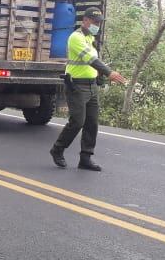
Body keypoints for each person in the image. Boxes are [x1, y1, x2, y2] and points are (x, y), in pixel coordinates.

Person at [50, 9, 126, 171]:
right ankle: (58, 149)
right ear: (85, 20)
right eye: (94, 22)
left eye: (98, 22)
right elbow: (90, 59)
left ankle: (85, 158)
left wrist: (101, 79)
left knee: (92, 123)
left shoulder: (90, 38)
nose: (97, 25)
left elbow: (93, 64)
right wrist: (109, 72)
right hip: (77, 86)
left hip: (91, 86)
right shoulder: (75, 37)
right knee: (78, 121)